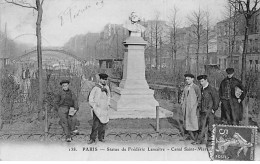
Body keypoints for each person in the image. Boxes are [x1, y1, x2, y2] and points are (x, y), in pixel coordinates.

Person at [197, 75, 219, 146]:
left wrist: (214, 109)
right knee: (202, 126)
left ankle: (210, 141)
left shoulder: (212, 89)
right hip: (202, 111)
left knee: (210, 127)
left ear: (206, 80)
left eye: (202, 81)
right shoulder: (201, 89)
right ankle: (201, 140)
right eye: (200, 81)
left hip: (210, 111)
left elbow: (216, 100)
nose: (201, 83)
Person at [88, 73, 111, 144]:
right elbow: (90, 97)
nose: (104, 81)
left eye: (105, 79)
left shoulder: (107, 88)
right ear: (100, 79)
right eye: (103, 79)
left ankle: (101, 137)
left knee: (103, 124)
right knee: (95, 124)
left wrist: (107, 104)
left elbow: (109, 96)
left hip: (104, 108)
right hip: (97, 108)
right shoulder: (96, 88)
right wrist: (93, 105)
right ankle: (92, 138)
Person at [180, 74, 201, 142]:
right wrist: (182, 102)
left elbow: (199, 97)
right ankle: (189, 133)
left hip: (193, 106)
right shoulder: (186, 87)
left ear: (192, 79)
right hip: (186, 106)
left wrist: (197, 105)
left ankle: (195, 134)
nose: (187, 81)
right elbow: (183, 95)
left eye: (188, 79)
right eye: (186, 79)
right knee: (187, 119)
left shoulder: (196, 87)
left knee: (193, 119)